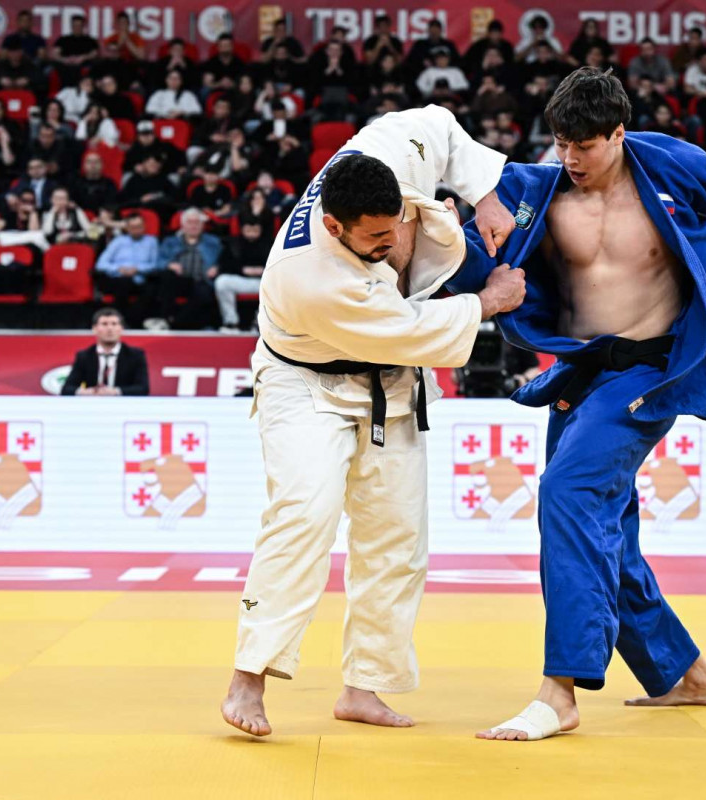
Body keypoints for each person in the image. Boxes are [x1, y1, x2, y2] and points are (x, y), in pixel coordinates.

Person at [447, 68, 706, 742]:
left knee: (569, 493)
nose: (571, 158)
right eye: (561, 143)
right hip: (581, 373)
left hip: (650, 373)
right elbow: (475, 263)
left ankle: (560, 690)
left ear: (618, 133)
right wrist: (446, 236)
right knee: (601, 531)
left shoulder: (669, 163)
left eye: (585, 145)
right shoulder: (533, 190)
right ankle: (686, 674)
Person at [220, 105, 521, 738]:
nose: (388, 245)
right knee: (304, 513)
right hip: (308, 382)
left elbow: (439, 123)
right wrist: (488, 301)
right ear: (334, 226)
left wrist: (486, 194)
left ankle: (365, 686)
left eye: (394, 229)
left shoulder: (387, 150)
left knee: (397, 536)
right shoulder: (313, 276)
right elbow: (408, 331)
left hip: (390, 382)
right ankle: (250, 675)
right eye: (374, 240)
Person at [148, 209, 222, 330]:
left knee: (203, 293)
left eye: (197, 222)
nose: (193, 226)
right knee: (166, 277)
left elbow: (225, 261)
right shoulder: (170, 242)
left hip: (202, 280)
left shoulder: (213, 242)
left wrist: (217, 268)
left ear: (202, 225)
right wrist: (169, 264)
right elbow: (157, 263)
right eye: (190, 222)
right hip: (179, 280)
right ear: (183, 225)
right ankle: (166, 317)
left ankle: (173, 323)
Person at [60, 308, 150, 396]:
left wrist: (116, 392)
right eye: (104, 324)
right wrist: (86, 392)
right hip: (93, 403)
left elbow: (143, 388)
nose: (110, 328)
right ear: (94, 329)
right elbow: (66, 389)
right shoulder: (84, 356)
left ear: (121, 328)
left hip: (123, 404)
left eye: (114, 324)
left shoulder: (135, 355)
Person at [94, 212, 160, 326]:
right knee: (123, 283)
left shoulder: (152, 242)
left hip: (142, 279)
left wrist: (138, 269)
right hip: (118, 278)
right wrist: (118, 269)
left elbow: (155, 264)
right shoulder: (118, 241)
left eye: (139, 226)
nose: (137, 230)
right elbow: (101, 264)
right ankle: (119, 321)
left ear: (144, 226)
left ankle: (134, 323)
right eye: (133, 227)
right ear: (127, 228)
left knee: (152, 289)